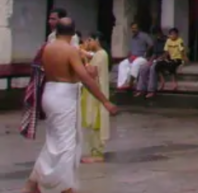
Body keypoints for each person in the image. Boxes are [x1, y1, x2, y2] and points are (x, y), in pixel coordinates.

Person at [23, 18, 117, 193]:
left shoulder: (47, 48)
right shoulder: (70, 51)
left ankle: (35, 181)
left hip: (50, 94)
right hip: (63, 97)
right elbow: (85, 78)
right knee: (67, 145)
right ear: (73, 33)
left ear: (56, 31)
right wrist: (105, 101)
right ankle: (63, 187)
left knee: (53, 142)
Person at [80, 31, 111, 163]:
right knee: (91, 120)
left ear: (97, 40)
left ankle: (98, 153)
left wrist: (85, 60)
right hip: (92, 91)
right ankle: (93, 150)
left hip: (97, 91)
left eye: (91, 40)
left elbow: (92, 72)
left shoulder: (101, 54)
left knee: (96, 120)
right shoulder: (98, 54)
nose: (88, 43)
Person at [116, 23, 154, 90]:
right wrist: (129, 57)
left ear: (138, 28)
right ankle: (121, 84)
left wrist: (146, 52)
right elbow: (131, 50)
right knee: (122, 64)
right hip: (133, 57)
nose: (134, 30)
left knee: (135, 63)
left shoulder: (144, 36)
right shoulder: (132, 38)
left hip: (142, 57)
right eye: (132, 28)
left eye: (135, 28)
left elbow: (151, 44)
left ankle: (130, 83)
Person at [134, 27, 166, 98]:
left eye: (156, 34)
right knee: (143, 68)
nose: (155, 36)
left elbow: (167, 52)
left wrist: (160, 58)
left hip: (164, 59)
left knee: (152, 68)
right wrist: (150, 61)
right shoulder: (156, 41)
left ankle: (151, 90)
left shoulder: (166, 40)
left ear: (159, 33)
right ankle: (141, 89)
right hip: (156, 58)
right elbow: (154, 53)